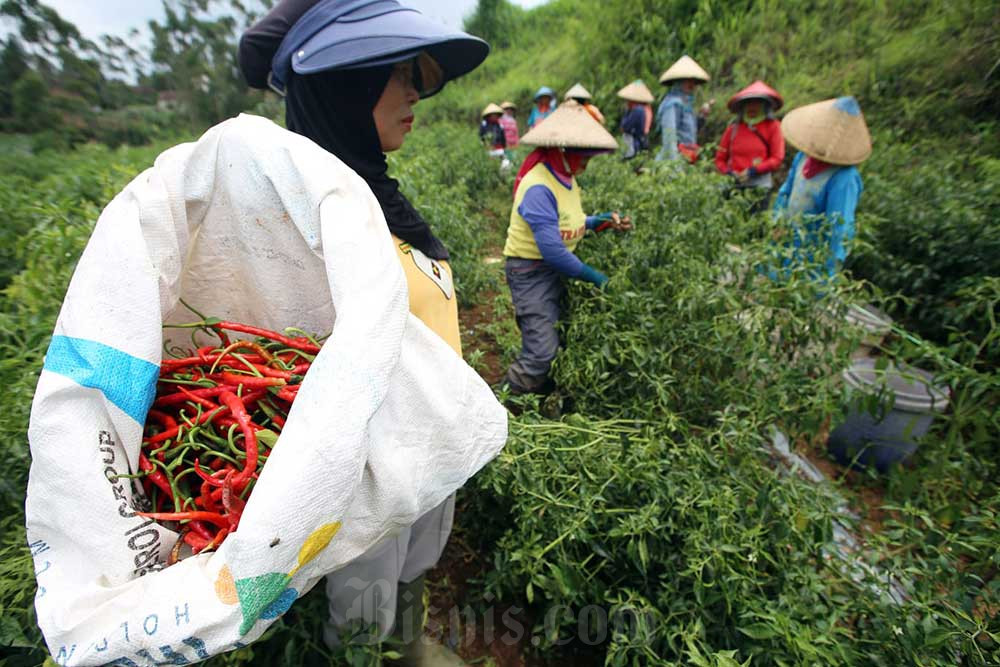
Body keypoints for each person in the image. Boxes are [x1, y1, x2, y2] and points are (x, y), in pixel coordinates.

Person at [238, 1, 489, 664]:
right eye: (393, 74)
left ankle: (407, 642)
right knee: (364, 588)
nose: (412, 92)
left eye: (416, 74)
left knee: (412, 560)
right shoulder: (312, 222)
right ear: (341, 89)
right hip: (368, 463)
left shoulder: (374, 191)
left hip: (424, 440)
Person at [500, 100, 632, 396]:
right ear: (562, 151)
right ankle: (501, 408)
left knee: (558, 339)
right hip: (530, 271)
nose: (586, 163)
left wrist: (599, 222)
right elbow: (554, 252)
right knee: (542, 355)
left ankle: (542, 395)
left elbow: (568, 221)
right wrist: (598, 278)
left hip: (551, 269)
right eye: (582, 156)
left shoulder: (566, 178)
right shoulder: (538, 187)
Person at [771, 96, 871, 280]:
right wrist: (778, 221)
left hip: (812, 259)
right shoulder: (802, 158)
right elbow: (786, 192)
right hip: (784, 245)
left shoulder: (844, 178)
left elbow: (840, 226)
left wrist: (829, 268)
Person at [715, 80, 785, 213]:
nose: (752, 107)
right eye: (748, 103)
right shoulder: (733, 129)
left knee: (756, 228)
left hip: (759, 187)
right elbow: (720, 158)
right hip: (733, 186)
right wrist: (729, 172)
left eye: (757, 103)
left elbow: (777, 158)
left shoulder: (773, 127)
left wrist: (753, 171)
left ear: (765, 106)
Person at [655, 55, 711, 162]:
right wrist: (674, 165)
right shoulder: (672, 104)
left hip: (687, 157)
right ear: (678, 82)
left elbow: (689, 132)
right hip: (673, 160)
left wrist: (702, 117)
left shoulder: (687, 105)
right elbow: (669, 136)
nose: (692, 84)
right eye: (687, 81)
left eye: (693, 81)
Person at [616, 79, 655, 160]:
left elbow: (625, 127)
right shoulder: (646, 108)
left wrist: (627, 112)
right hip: (642, 142)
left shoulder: (637, 110)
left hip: (635, 144)